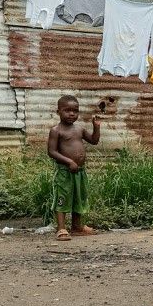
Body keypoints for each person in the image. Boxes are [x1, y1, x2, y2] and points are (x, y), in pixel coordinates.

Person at [46, 95, 101, 242]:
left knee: (79, 197)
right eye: (67, 110)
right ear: (58, 112)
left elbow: (94, 141)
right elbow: (52, 151)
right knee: (63, 197)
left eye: (75, 111)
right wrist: (69, 161)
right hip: (65, 172)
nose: (71, 114)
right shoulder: (56, 130)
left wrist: (96, 128)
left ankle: (77, 227)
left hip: (80, 172)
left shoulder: (80, 129)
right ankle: (61, 228)